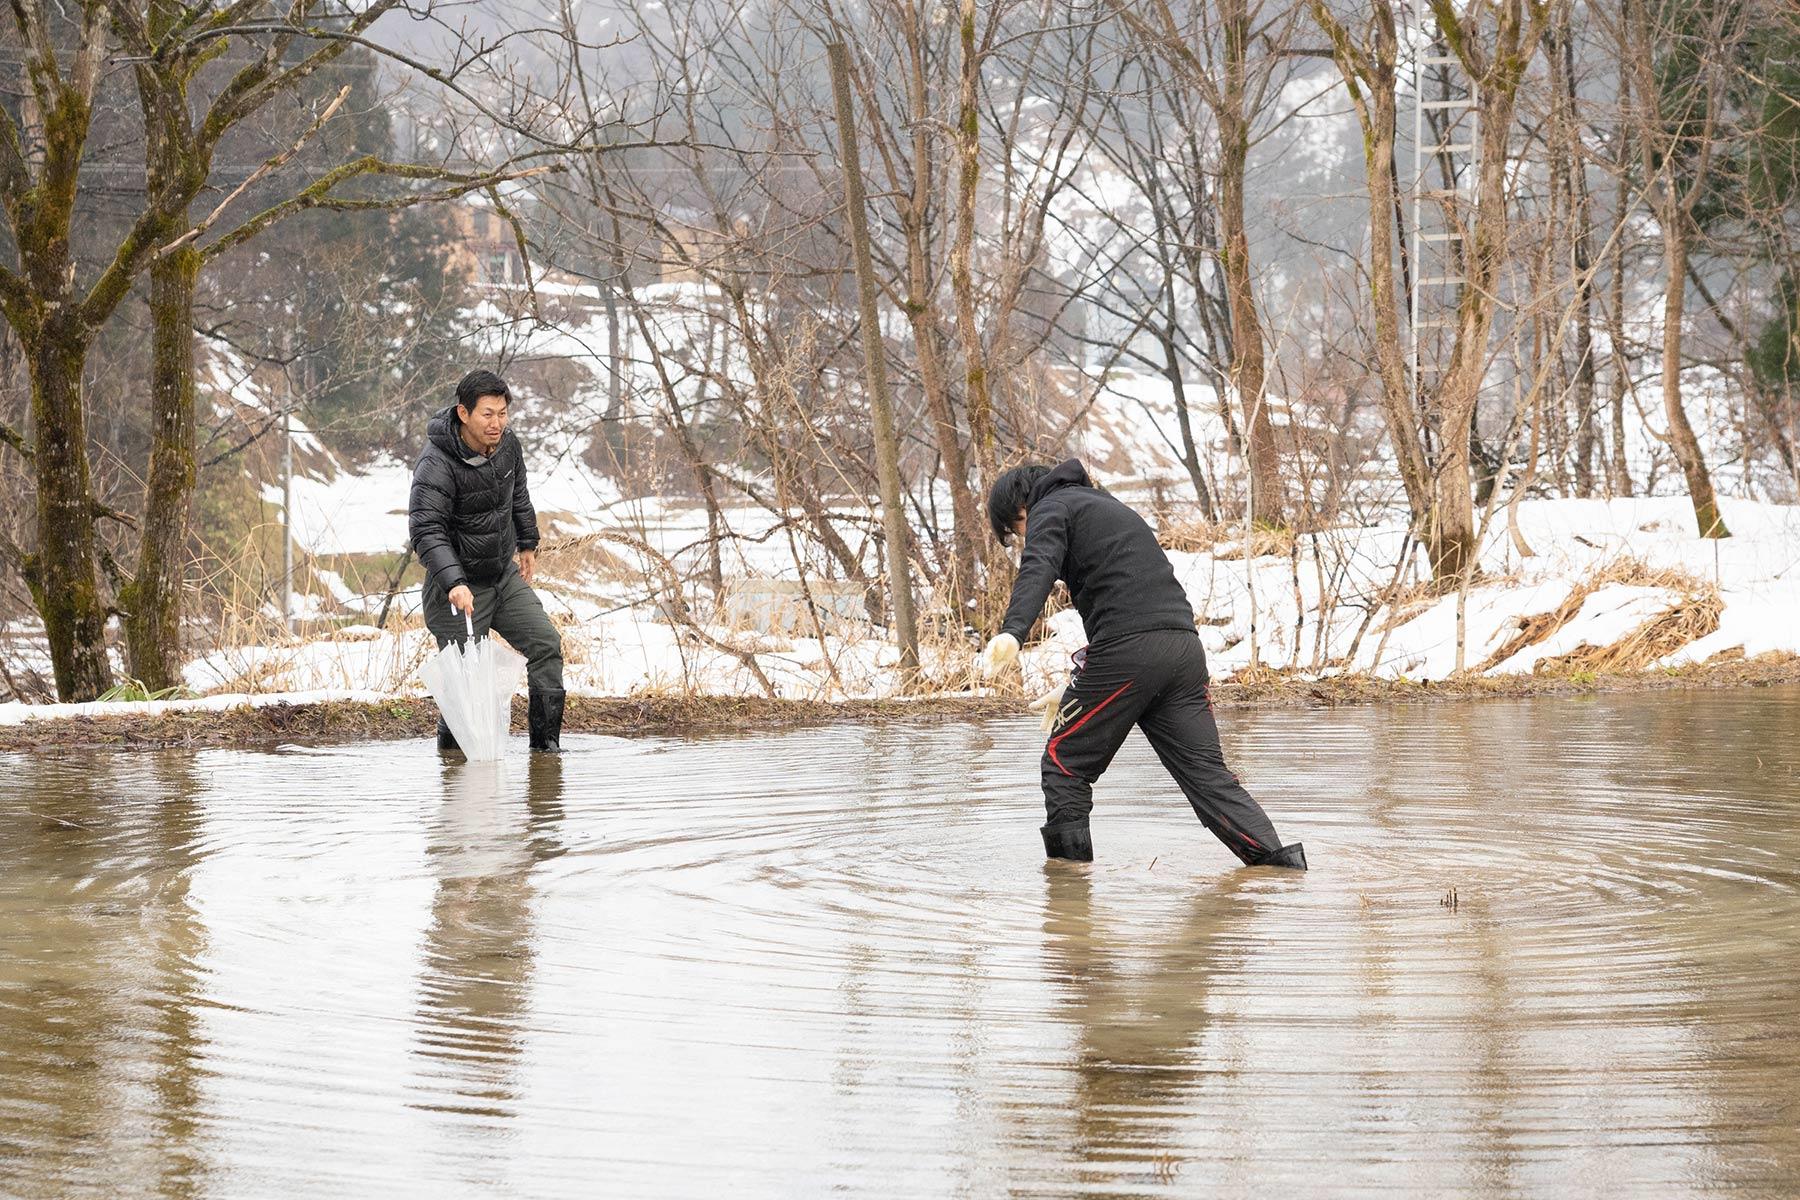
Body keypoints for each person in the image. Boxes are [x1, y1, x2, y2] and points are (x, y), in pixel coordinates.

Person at [977, 458, 1304, 868]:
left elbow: (1037, 567)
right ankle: (1282, 873)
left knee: (1064, 763)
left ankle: (1068, 899)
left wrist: (1013, 631)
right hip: (1183, 650)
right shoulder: (1109, 507)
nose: (1024, 539)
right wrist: (1080, 682)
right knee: (1208, 777)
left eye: (1016, 532)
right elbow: (1132, 598)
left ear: (1020, 510)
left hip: (1129, 653)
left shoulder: (1050, 506)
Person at [409, 369, 565, 753]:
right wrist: (454, 582)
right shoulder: (437, 463)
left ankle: (546, 754)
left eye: (502, 413)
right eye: (488, 415)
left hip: (501, 577)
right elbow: (426, 530)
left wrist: (527, 541)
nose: (497, 423)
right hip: (456, 588)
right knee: (467, 682)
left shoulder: (508, 445)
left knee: (546, 643)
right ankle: (453, 764)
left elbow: (519, 494)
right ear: (463, 413)